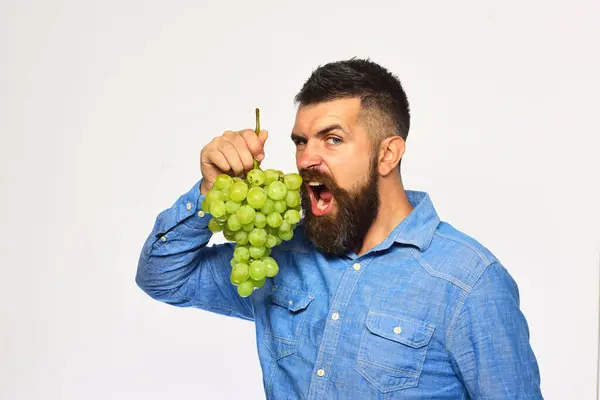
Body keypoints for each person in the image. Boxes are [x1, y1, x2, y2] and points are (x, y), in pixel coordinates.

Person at [135, 58, 543, 399]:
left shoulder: (469, 283)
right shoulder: (281, 255)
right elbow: (164, 277)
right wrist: (209, 194)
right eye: (300, 141)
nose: (306, 158)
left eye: (331, 139)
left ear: (388, 154)